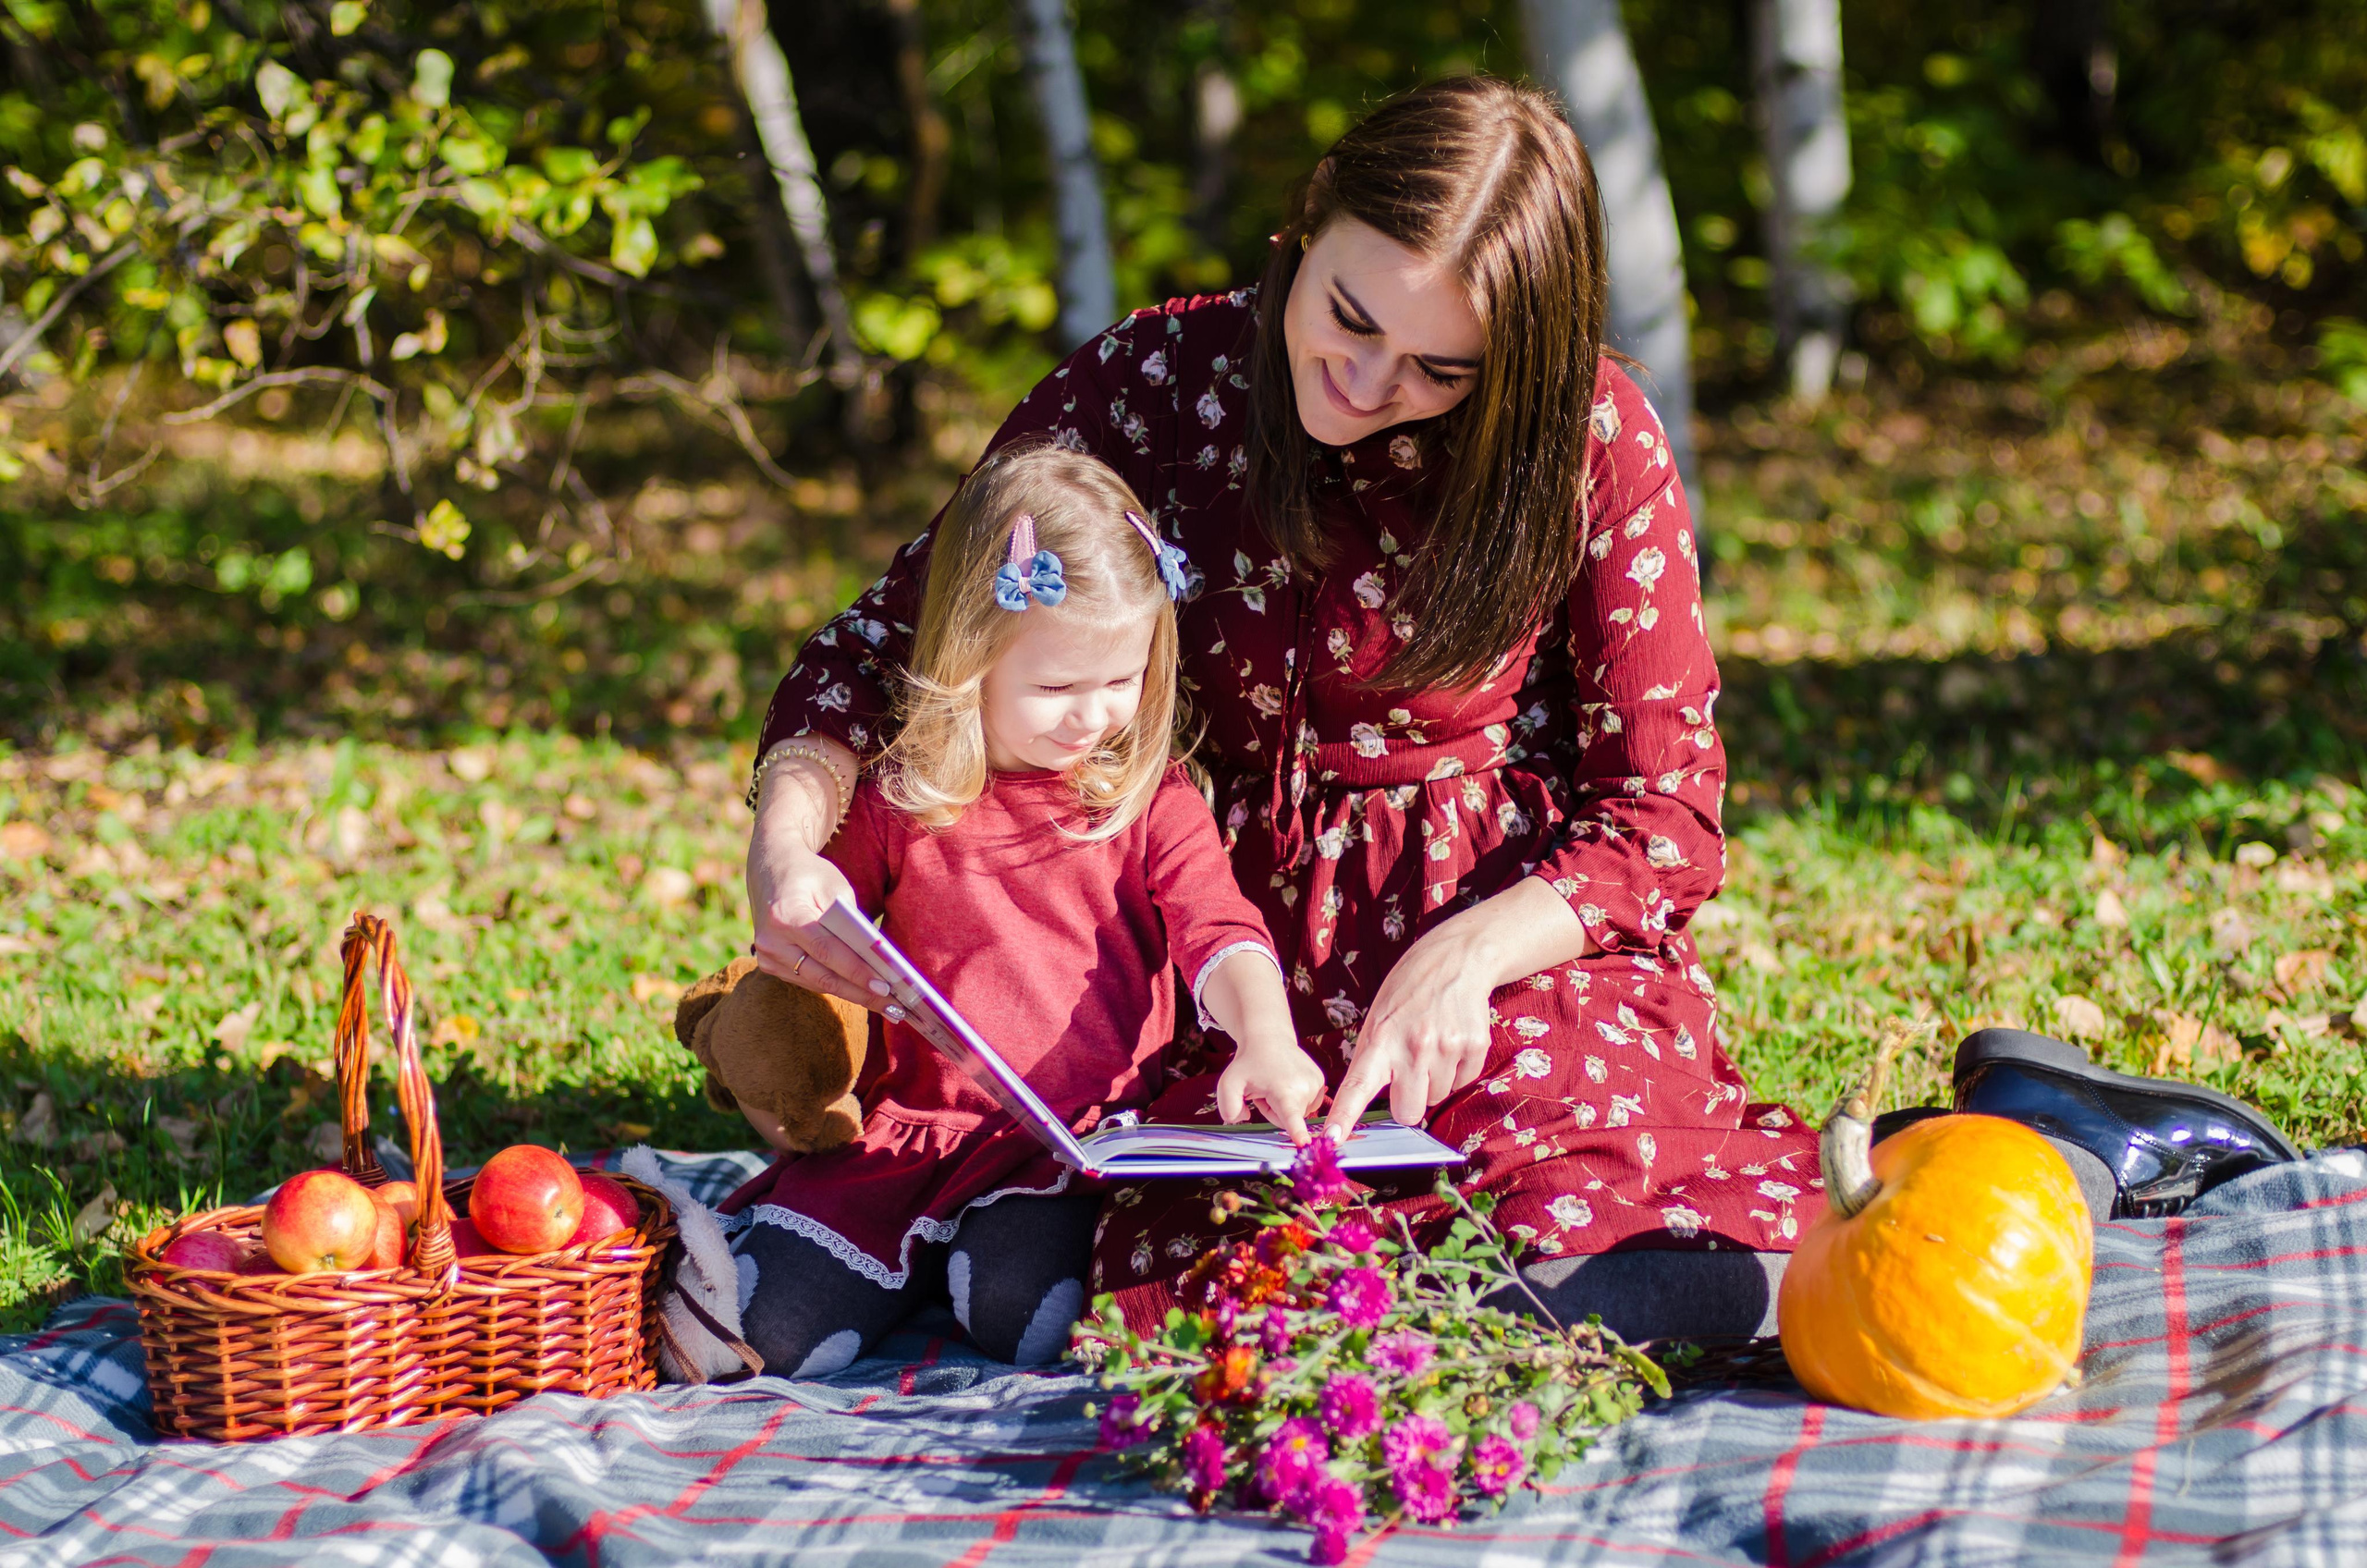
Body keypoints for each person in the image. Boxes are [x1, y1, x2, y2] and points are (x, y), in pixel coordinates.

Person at [742, 75, 2298, 1349]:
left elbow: (1666, 815)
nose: (1369, 384)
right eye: (1347, 317)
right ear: (1308, 226)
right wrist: (787, 840)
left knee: (1582, 1247)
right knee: (1222, 1292)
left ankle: (2028, 1156)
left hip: (1508, 935)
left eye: (1440, 367)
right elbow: (887, 645)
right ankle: (1976, 1154)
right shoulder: (1159, 384)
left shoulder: (1589, 438)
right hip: (1239, 950)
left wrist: (1470, 953)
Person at [717, 443, 1325, 1375]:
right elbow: (825, 949)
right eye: (1055, 688)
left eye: (1119, 682)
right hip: (907, 1135)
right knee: (771, 1332)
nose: (1092, 716)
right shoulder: (899, 799)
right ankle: (907, 1266)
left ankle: (950, 1274)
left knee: (1021, 1311)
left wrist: (1268, 1038)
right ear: (969, 661)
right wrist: (804, 906)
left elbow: (1221, 932)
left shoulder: (1148, 799)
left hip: (1062, 1148)